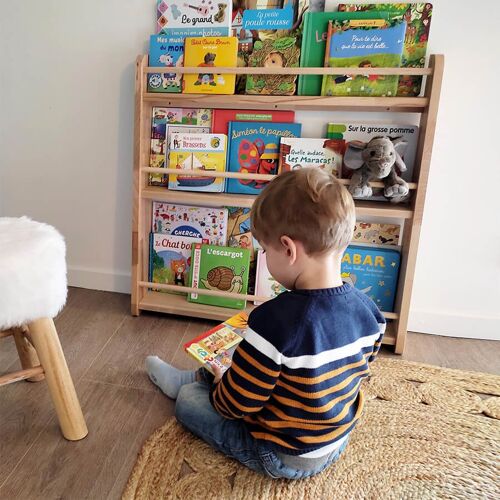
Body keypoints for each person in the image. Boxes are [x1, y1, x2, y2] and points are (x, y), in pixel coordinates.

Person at [146, 168, 385, 479]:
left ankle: (191, 386)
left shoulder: (274, 322)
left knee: (190, 403)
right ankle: (194, 378)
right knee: (245, 365)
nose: (264, 258)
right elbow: (355, 371)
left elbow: (235, 405)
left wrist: (222, 388)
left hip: (284, 454)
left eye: (265, 249)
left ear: (288, 249)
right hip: (335, 439)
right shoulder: (370, 312)